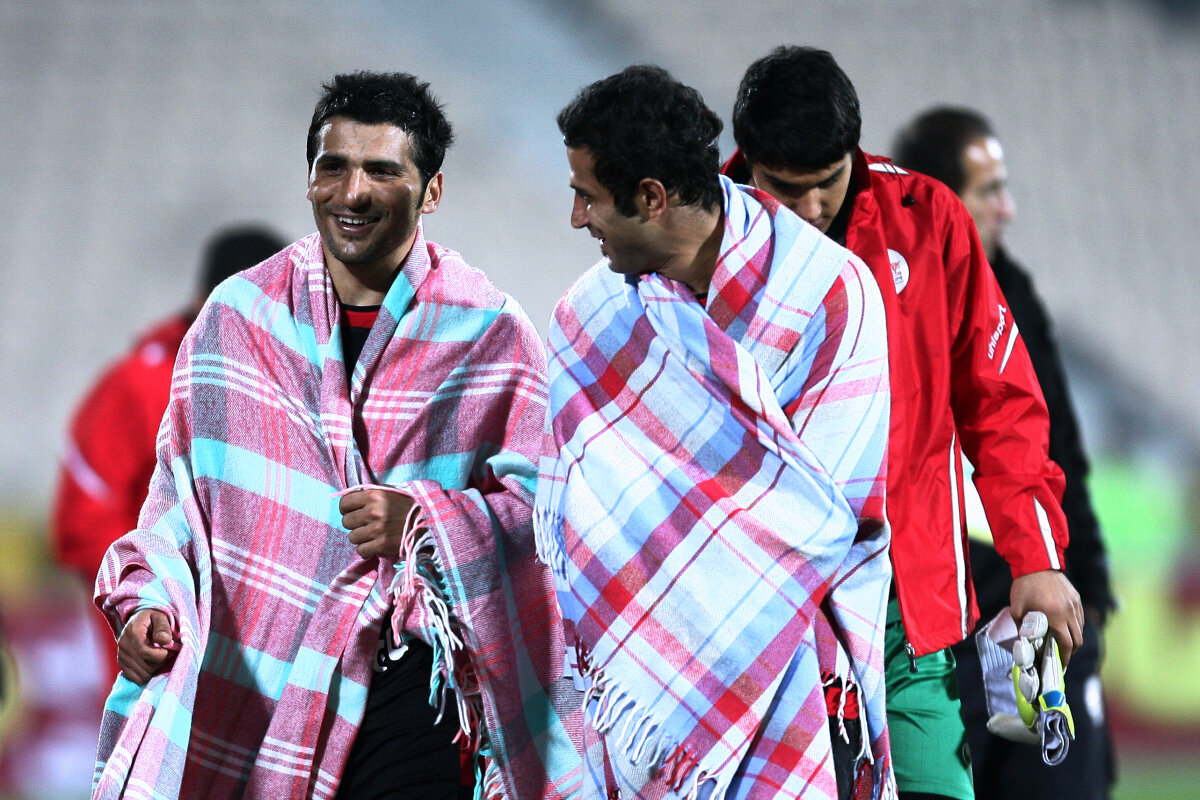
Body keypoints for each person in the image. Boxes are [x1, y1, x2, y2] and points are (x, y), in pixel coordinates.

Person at [91, 71, 582, 800]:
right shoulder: (238, 318)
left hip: (415, 678)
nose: (352, 193)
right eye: (333, 167)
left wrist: (425, 519)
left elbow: (545, 514)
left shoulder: (491, 332)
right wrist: (146, 604)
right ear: (310, 179)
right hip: (261, 674)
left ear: (431, 191)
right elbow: (178, 504)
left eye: (382, 171)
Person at [724, 46, 1085, 800]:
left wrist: (1035, 558)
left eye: (827, 183)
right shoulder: (700, 235)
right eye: (785, 189)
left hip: (902, 608)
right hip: (752, 612)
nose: (810, 209)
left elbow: (999, 399)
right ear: (747, 162)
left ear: (854, 154)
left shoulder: (929, 220)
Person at [536, 65, 894, 800]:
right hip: (627, 696)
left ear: (651, 198)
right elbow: (570, 510)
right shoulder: (589, 315)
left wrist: (689, 563)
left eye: (587, 196)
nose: (576, 218)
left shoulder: (828, 291)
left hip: (792, 674)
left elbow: (818, 519)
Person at [893, 106, 1116, 800]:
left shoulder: (1010, 293)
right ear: (942, 200)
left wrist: (1085, 582)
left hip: (1025, 598)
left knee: (1051, 775)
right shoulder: (889, 298)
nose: (1007, 209)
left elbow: (1060, 449)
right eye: (989, 190)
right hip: (940, 604)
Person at [51, 225, 287, 685]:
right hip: (164, 646)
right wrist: (157, 591)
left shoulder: (304, 386)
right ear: (202, 301)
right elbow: (83, 518)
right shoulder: (139, 385)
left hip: (268, 648)